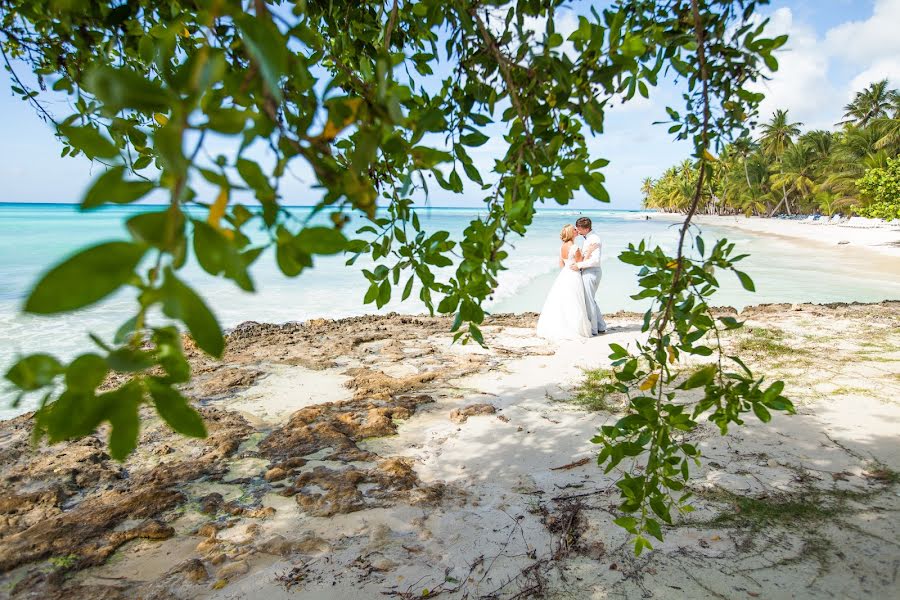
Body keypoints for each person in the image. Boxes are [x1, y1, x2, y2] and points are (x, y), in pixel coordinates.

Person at [536, 225, 592, 339]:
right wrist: (589, 252)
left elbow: (561, 264)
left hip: (564, 275)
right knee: (575, 301)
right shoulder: (575, 247)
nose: (577, 231)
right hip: (574, 275)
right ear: (572, 233)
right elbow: (580, 263)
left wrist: (568, 268)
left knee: (562, 301)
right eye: (575, 230)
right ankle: (575, 328)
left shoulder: (562, 247)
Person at [569, 217, 607, 335]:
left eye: (578, 228)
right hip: (589, 271)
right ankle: (601, 326)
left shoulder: (594, 239)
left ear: (584, 228)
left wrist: (579, 265)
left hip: (592, 271)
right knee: (591, 300)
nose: (577, 230)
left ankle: (593, 329)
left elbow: (595, 260)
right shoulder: (589, 238)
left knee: (589, 301)